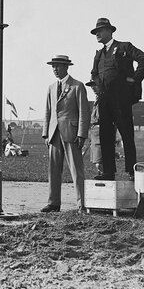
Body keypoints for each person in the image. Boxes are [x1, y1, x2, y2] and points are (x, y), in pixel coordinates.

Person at [90, 17, 144, 180]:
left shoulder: (124, 46)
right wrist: (98, 86)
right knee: (105, 136)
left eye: (100, 31)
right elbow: (94, 74)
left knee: (127, 135)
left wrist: (135, 79)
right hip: (104, 100)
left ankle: (132, 172)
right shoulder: (99, 54)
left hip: (121, 100)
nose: (97, 34)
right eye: (96, 32)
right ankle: (108, 172)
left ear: (110, 31)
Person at [41, 55, 89, 213]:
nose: (55, 69)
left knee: (76, 170)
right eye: (53, 66)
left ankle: (81, 204)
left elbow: (84, 112)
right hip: (54, 134)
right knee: (53, 170)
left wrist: (81, 134)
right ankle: (53, 203)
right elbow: (48, 112)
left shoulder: (77, 86)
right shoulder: (51, 88)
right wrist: (45, 134)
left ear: (66, 67)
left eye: (58, 66)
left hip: (71, 133)